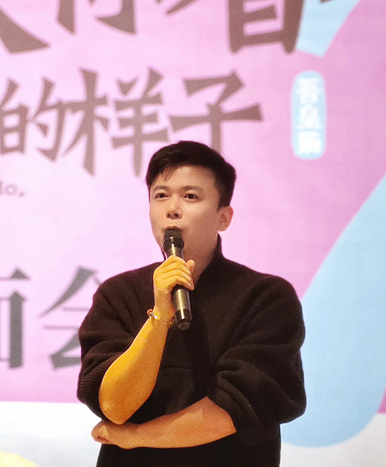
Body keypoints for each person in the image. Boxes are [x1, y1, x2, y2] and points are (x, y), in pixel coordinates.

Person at [77, 141, 306, 467]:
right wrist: (160, 316)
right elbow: (114, 405)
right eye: (160, 195)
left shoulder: (265, 297)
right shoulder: (118, 294)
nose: (172, 208)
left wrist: (136, 436)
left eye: (190, 196)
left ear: (223, 217)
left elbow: (236, 410)